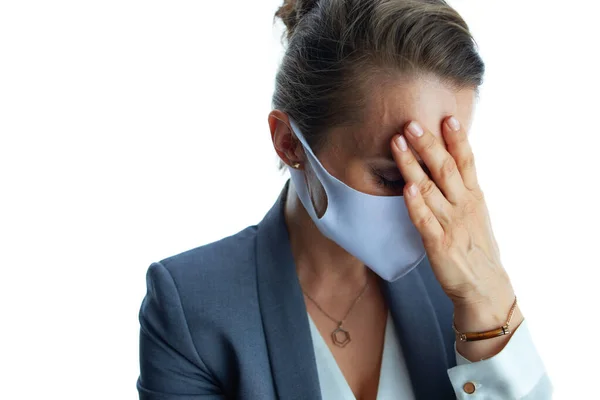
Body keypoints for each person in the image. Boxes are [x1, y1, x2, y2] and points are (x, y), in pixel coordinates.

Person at [136, 0, 552, 399]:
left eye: (439, 172)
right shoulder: (192, 305)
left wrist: (486, 299)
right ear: (289, 144)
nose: (421, 203)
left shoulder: (461, 284)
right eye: (392, 176)